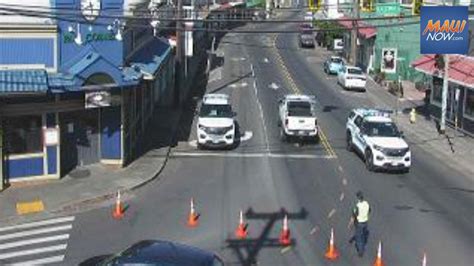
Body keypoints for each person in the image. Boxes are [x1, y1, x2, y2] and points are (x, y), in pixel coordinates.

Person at [349, 191, 371, 257]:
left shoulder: (357, 206)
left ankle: (360, 251)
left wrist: (350, 224)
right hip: (365, 222)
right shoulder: (366, 204)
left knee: (359, 238)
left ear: (358, 198)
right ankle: (355, 240)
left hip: (359, 223)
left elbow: (353, 216)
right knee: (363, 234)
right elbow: (369, 211)